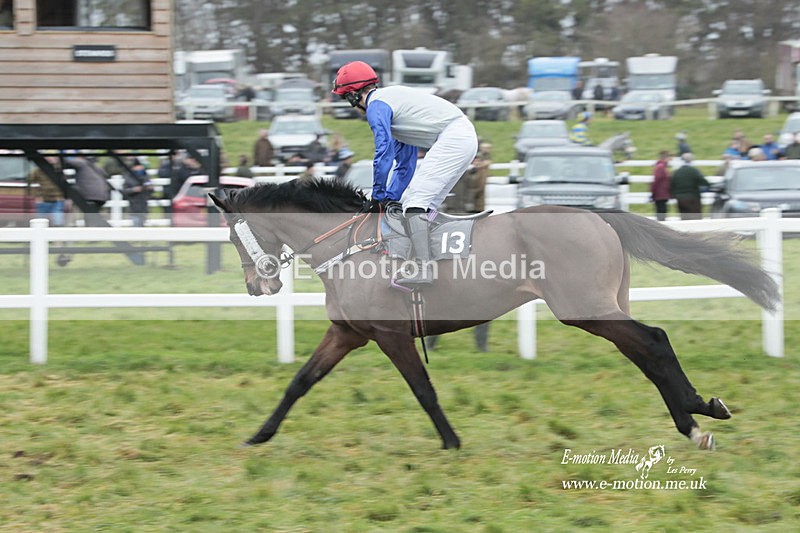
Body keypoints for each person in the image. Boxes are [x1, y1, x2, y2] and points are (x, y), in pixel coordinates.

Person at [331, 60, 478, 286]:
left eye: (347, 100)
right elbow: (405, 163)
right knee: (418, 204)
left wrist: (378, 196)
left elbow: (383, 151)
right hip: (461, 137)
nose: (352, 107)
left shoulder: (377, 106)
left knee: (416, 202)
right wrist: (390, 197)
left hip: (455, 137)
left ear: (353, 96)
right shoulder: (395, 107)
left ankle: (423, 269)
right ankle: (436, 263)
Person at [63, 156, 111, 227]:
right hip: (101, 196)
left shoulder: (82, 163)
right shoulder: (97, 167)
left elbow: (66, 162)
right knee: (94, 216)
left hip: (90, 196)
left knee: (90, 218)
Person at [669, 153, 709, 220]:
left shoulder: (676, 172)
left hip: (680, 199)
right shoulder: (694, 171)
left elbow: (671, 184)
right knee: (696, 218)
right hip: (693, 198)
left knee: (684, 218)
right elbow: (704, 182)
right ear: (691, 160)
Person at [122, 158, 153, 227]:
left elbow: (151, 189)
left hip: (144, 205)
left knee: (142, 224)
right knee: (136, 224)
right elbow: (124, 191)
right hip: (134, 205)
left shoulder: (145, 176)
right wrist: (134, 190)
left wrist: (150, 188)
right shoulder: (128, 177)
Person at [650, 150, 671, 222]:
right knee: (661, 214)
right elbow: (656, 181)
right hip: (661, 195)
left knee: (662, 213)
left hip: (661, 194)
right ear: (666, 158)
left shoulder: (661, 167)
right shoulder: (661, 167)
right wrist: (653, 192)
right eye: (669, 158)